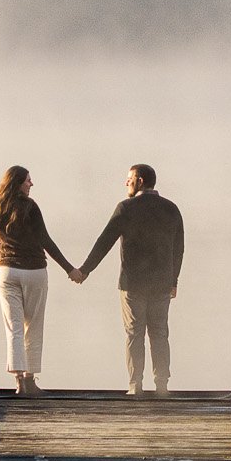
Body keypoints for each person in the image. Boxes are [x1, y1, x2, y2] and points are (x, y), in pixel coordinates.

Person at [74, 163, 185, 396]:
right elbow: (179, 249)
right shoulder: (171, 209)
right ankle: (162, 385)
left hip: (132, 283)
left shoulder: (126, 208)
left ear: (140, 181)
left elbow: (105, 241)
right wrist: (174, 280)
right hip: (162, 283)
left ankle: (136, 385)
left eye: (129, 178)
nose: (126, 182)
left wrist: (85, 270)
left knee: (134, 333)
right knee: (160, 333)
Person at [0, 165, 78, 395]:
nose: (31, 184)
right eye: (28, 181)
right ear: (17, 183)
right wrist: (69, 269)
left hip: (6, 272)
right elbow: (45, 240)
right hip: (34, 271)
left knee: (13, 327)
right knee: (32, 326)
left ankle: (19, 383)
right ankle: (31, 381)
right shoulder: (29, 207)